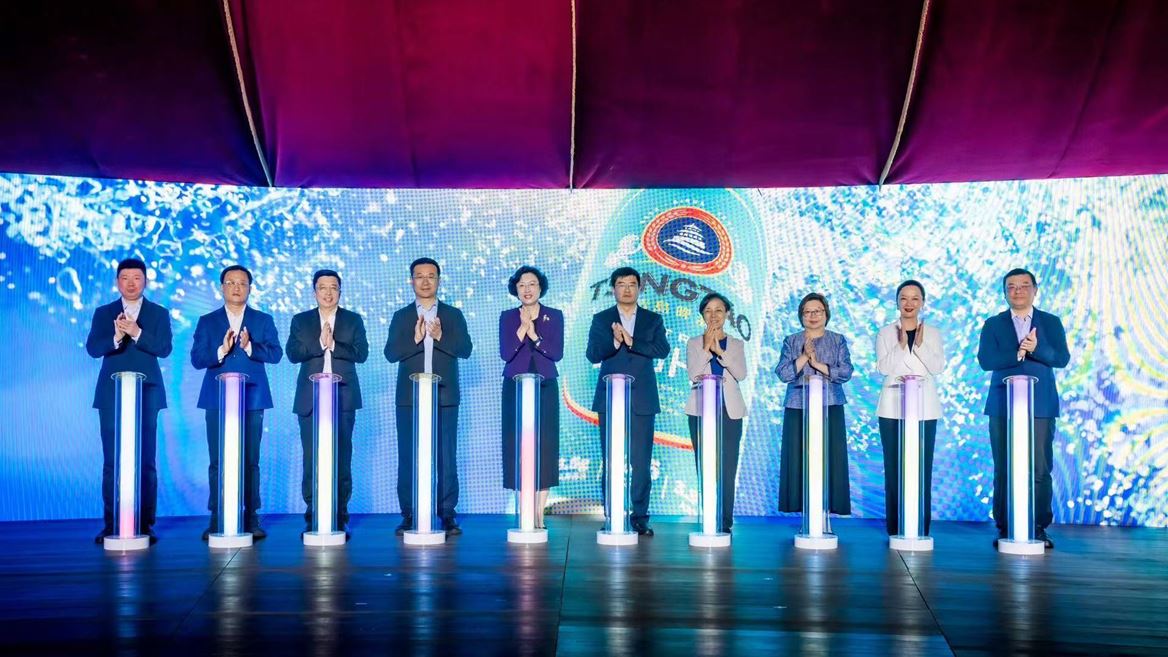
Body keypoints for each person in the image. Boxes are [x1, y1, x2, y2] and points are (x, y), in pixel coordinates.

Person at [978, 268, 1069, 549]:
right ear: (1005, 292)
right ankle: (1005, 527)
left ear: (1035, 289)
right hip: (1002, 405)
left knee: (1040, 468)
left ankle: (1038, 528)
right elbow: (986, 360)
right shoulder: (993, 324)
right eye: (1011, 287)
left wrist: (1036, 348)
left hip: (1040, 405)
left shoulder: (1051, 322)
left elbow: (1062, 358)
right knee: (1004, 468)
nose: (1017, 291)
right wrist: (1018, 352)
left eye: (1024, 286)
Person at [190, 265, 283, 541]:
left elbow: (276, 354)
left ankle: (251, 518)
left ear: (250, 288)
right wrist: (221, 350)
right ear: (222, 287)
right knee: (218, 460)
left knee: (250, 460)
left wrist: (250, 347)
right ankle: (217, 517)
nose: (236, 287)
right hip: (217, 398)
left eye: (242, 283)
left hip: (252, 397)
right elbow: (197, 359)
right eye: (230, 282)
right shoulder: (207, 321)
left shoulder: (262, 320)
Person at [85, 257, 173, 544]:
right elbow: (93, 349)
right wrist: (115, 336)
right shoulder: (104, 312)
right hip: (112, 395)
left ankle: (145, 524)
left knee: (146, 460)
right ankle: (112, 524)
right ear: (117, 282)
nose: (131, 283)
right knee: (112, 461)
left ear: (145, 281)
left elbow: (164, 348)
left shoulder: (158, 313)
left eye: (137, 278)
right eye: (125, 278)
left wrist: (136, 333)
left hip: (146, 392)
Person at [385, 258, 473, 536]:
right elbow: (390, 353)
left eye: (431, 276)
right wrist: (415, 339)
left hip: (444, 396)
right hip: (409, 398)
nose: (425, 281)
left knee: (446, 455)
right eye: (419, 276)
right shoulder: (401, 316)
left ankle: (446, 514)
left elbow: (466, 349)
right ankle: (409, 514)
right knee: (408, 456)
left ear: (438, 280)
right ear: (411, 280)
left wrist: (440, 336)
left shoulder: (453, 314)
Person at [585, 266, 671, 536]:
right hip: (610, 398)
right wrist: (614, 342)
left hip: (642, 399)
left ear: (639, 288)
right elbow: (592, 354)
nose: (626, 289)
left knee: (641, 463)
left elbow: (662, 350)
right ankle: (612, 515)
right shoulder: (602, 319)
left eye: (632, 284)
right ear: (613, 289)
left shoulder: (652, 319)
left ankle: (640, 517)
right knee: (611, 460)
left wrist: (632, 341)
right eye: (621, 284)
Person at [286, 269, 369, 539]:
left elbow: (362, 353)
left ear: (340, 291)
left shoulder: (353, 320)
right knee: (312, 460)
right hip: (310, 400)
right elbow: (292, 353)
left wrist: (334, 345)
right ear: (315, 292)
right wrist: (318, 344)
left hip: (343, 398)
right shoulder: (301, 320)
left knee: (342, 458)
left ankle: (340, 516)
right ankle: (313, 516)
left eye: (334, 287)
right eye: (323, 287)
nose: (328, 292)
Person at [875, 280, 946, 536]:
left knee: (921, 468)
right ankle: (895, 527)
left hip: (924, 408)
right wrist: (902, 344)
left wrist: (920, 344)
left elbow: (937, 367)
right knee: (894, 468)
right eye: (904, 298)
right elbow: (884, 368)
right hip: (892, 407)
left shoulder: (933, 333)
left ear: (922, 303)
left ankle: (919, 527)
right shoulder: (885, 333)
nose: (909, 303)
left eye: (915, 298)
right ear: (897, 302)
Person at [774, 292, 853, 518]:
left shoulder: (837, 340)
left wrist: (818, 365)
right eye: (807, 312)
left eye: (817, 311)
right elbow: (783, 373)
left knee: (830, 457)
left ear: (826, 314)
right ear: (801, 316)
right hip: (798, 406)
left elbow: (846, 372)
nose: (813, 316)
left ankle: (826, 509)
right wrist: (803, 358)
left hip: (830, 405)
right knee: (798, 457)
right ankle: (804, 510)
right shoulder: (791, 341)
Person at [499, 265, 564, 529]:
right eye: (522, 285)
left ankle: (538, 514)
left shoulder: (554, 315)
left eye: (532, 284)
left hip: (545, 385)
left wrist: (534, 335)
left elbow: (556, 353)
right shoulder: (507, 317)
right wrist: (521, 329)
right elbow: (506, 353)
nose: (527, 289)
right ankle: (524, 509)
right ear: (515, 289)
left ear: (540, 287)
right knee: (517, 445)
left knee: (545, 446)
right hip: (515, 386)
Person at [685, 292, 748, 534]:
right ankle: (709, 515)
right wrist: (706, 348)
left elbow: (741, 374)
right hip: (701, 410)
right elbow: (693, 374)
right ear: (702, 314)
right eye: (708, 311)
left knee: (727, 466)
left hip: (729, 410)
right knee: (705, 464)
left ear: (727, 314)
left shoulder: (736, 344)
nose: (713, 315)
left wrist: (720, 351)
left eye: (719, 310)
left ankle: (725, 520)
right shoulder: (693, 343)